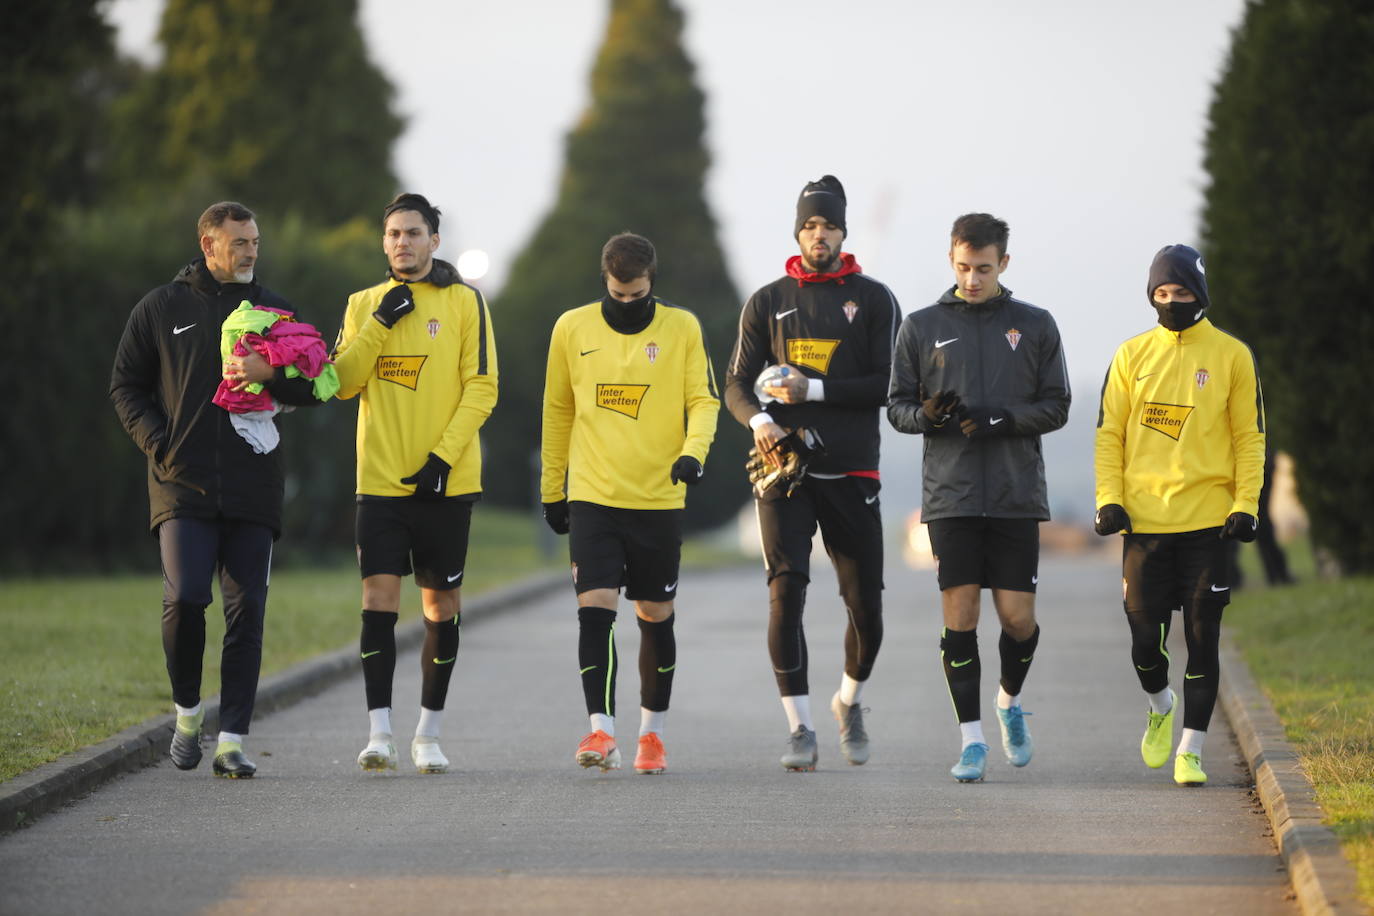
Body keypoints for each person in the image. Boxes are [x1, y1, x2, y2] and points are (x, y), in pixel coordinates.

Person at [110, 201, 326, 779]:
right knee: (185, 598)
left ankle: (231, 740)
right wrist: (161, 444)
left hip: (255, 482)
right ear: (209, 245)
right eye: (239, 243)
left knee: (247, 607)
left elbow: (314, 384)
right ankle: (187, 713)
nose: (251, 250)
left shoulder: (276, 308)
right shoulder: (162, 307)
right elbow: (126, 386)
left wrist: (270, 377)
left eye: (255, 240)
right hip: (181, 483)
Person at [887, 213, 1070, 783]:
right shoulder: (920, 326)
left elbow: (1058, 405)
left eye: (983, 269)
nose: (972, 279)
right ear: (952, 260)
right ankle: (971, 742)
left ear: (1004, 265)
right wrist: (927, 416)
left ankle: (1009, 702)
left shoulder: (1035, 324)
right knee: (960, 618)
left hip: (1016, 495)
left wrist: (1004, 418)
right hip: (952, 498)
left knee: (1017, 620)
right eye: (963, 268)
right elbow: (896, 408)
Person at [724, 175, 899, 771]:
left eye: (826, 225)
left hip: (851, 470)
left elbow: (890, 384)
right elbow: (735, 385)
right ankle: (799, 728)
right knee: (785, 594)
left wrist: (813, 387)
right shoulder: (767, 300)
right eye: (808, 225)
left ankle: (848, 700)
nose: (817, 234)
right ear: (797, 232)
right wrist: (759, 423)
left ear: (843, 230)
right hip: (784, 472)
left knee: (865, 608)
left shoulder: (873, 298)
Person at [332, 193, 498, 775]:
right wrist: (381, 321)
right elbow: (344, 383)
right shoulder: (363, 304)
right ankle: (379, 732)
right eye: (394, 234)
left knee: (440, 602)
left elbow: (482, 387)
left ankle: (428, 732)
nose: (403, 242)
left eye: (414, 233)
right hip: (379, 481)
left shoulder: (464, 302)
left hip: (445, 485)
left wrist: (442, 459)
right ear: (384, 243)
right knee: (377, 598)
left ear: (434, 241)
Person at [540, 232, 719, 775]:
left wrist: (694, 453)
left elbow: (702, 400)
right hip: (594, 493)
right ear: (605, 282)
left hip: (658, 497)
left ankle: (651, 735)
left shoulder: (682, 327)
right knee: (594, 608)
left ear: (652, 285)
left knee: (653, 614)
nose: (627, 303)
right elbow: (557, 411)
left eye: (637, 294)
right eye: (618, 295)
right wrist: (553, 489)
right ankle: (601, 729)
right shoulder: (571, 328)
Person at [1093, 243, 1265, 787]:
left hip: (1208, 525)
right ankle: (1160, 704)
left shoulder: (1233, 355)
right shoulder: (1130, 356)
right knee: (1146, 642)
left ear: (1201, 293)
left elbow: (1249, 438)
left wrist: (1245, 505)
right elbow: (1108, 436)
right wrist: (1108, 499)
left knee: (1202, 635)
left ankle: (1190, 751)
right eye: (1162, 293)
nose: (1171, 301)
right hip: (1143, 526)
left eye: (1182, 292)